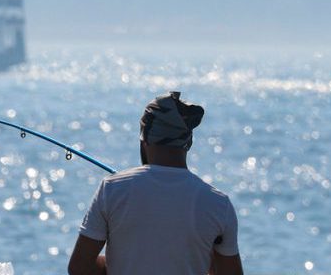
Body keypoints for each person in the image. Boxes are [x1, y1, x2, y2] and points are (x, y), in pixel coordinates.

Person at [68, 91, 243, 275]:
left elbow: (79, 267)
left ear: (144, 139)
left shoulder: (112, 189)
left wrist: (114, 265)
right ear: (188, 142)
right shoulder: (219, 204)